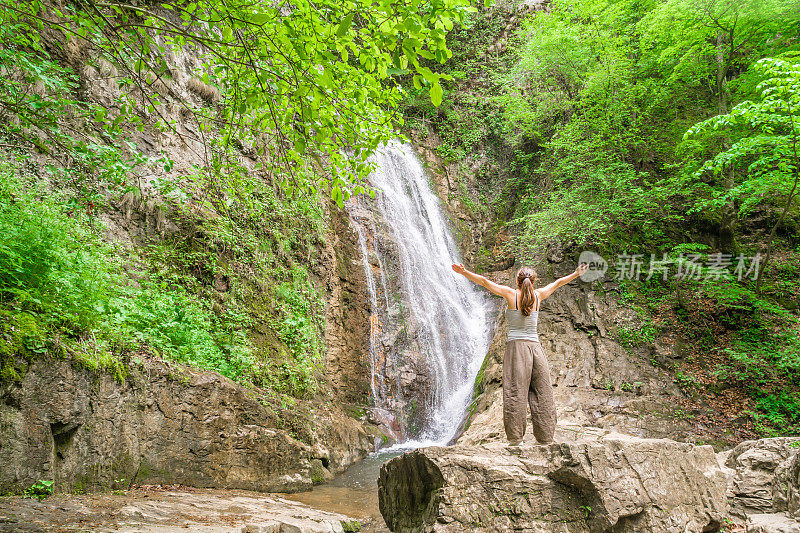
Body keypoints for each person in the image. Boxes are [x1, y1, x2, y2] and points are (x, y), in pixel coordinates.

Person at [451, 262, 589, 446]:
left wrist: (464, 271)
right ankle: (546, 438)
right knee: (543, 391)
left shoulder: (510, 294)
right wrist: (576, 273)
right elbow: (557, 283)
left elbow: (484, 282)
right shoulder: (538, 295)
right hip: (535, 349)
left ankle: (516, 440)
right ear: (534, 281)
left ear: (517, 281)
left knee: (516, 392)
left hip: (517, 349)